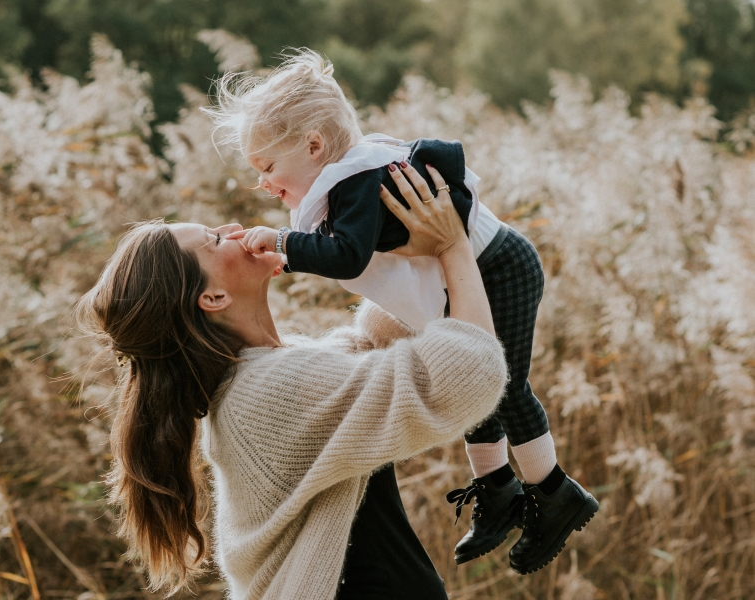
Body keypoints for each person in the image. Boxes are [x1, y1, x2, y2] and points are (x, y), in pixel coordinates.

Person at [205, 48, 598, 574]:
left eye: (268, 167)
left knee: (504, 387)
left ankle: (554, 494)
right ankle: (498, 489)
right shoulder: (344, 183)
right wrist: (288, 251)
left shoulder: (355, 181)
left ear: (315, 145)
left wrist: (285, 241)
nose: (263, 183)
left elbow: (348, 253)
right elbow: (349, 248)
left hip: (500, 266)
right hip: (472, 272)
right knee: (476, 390)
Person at [75, 165, 507, 599]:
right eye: (216, 239)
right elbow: (466, 373)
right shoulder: (267, 392)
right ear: (213, 298)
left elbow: (368, 346)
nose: (234, 228)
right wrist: (452, 247)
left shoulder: (264, 373)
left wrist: (384, 245)